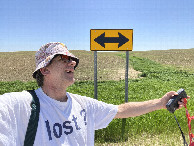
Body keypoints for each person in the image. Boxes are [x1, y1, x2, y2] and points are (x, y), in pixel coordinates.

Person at [0, 42, 189, 146]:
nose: (72, 63)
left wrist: (160, 102)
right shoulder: (21, 105)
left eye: (73, 59)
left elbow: (120, 110)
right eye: (64, 58)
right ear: (44, 70)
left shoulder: (83, 105)